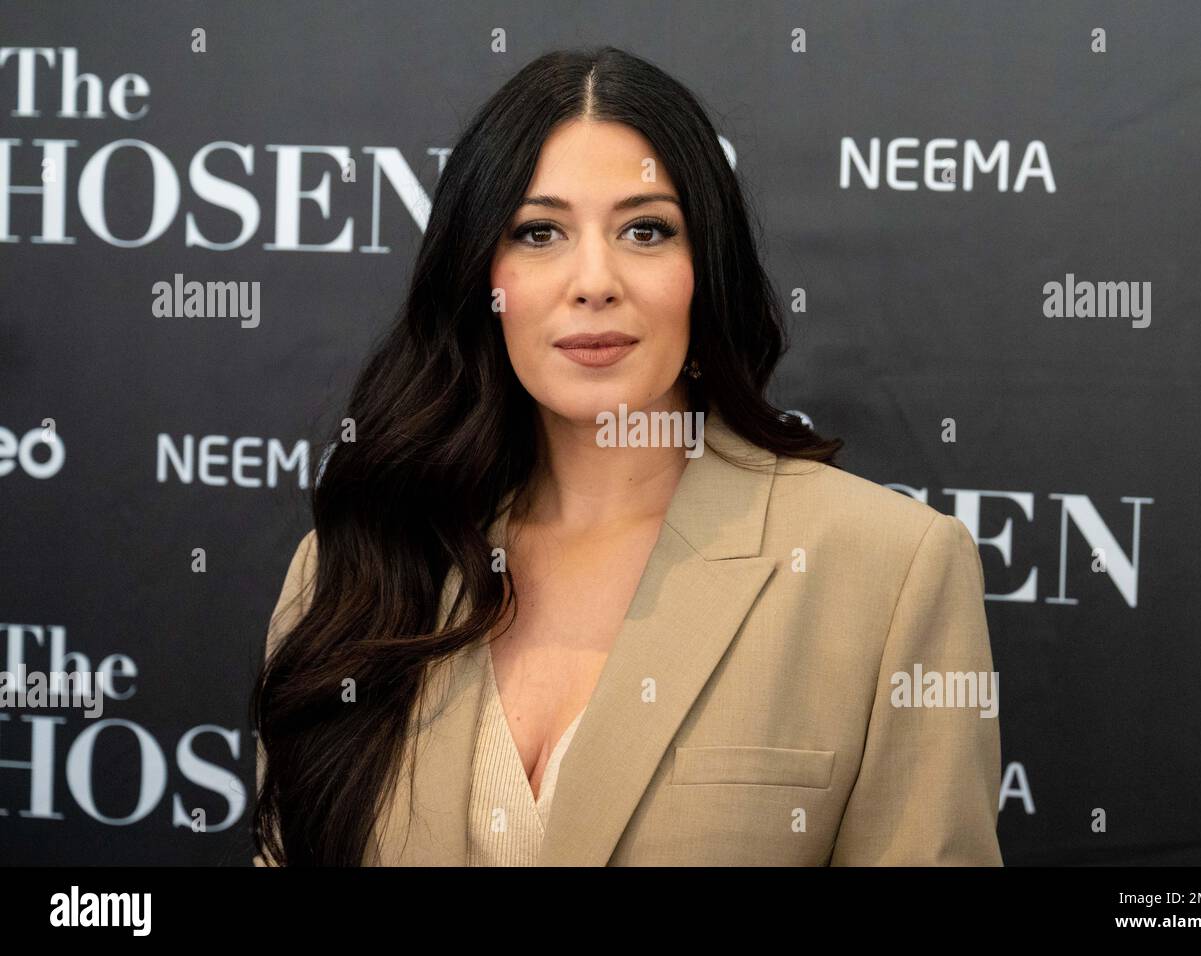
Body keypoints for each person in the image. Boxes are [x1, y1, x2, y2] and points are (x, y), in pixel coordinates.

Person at [252, 46, 1001, 867]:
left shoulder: (888, 569)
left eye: (645, 229)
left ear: (704, 270)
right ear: (481, 278)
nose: (594, 280)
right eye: (539, 232)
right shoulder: (353, 568)